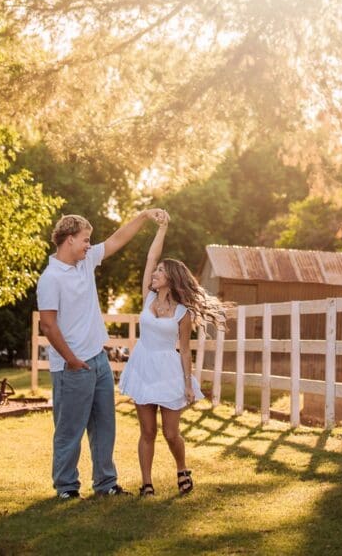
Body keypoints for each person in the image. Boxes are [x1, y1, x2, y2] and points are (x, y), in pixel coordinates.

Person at [35, 209, 163, 500]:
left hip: (98, 359)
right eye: (85, 240)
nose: (89, 245)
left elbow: (118, 239)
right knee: (69, 430)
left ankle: (106, 483)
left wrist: (143, 215)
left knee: (105, 426)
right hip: (71, 366)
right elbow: (48, 325)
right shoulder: (50, 278)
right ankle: (67, 487)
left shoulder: (86, 261)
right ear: (69, 240)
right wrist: (71, 360)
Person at [118, 210, 221, 497]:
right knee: (147, 432)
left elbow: (185, 351)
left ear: (171, 278)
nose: (154, 273)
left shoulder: (182, 313)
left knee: (171, 433)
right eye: (156, 270)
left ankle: (182, 469)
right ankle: (147, 484)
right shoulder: (148, 296)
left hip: (168, 370)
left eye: (160, 271)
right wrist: (161, 228)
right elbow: (151, 257)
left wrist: (188, 384)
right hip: (143, 367)